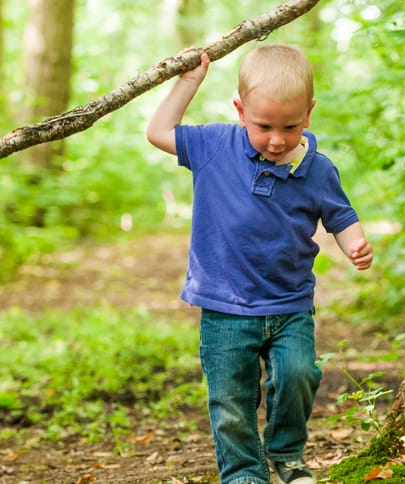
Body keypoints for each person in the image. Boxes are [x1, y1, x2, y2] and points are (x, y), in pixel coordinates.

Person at [146, 44, 373, 484]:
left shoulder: (317, 168)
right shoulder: (214, 145)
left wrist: (355, 243)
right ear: (240, 110)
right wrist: (188, 82)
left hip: (289, 304)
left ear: (308, 114)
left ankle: (286, 454)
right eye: (263, 125)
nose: (275, 139)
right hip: (225, 307)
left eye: (289, 127)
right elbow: (158, 131)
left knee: (299, 374)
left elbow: (340, 216)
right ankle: (244, 473)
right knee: (230, 400)